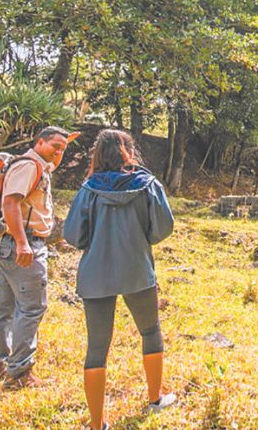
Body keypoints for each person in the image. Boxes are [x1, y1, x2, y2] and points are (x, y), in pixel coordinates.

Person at [64, 128, 176, 429]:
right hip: (137, 270)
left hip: (96, 275)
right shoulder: (148, 184)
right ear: (129, 151)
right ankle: (155, 400)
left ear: (98, 154)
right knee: (150, 332)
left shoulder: (88, 189)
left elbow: (73, 235)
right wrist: (143, 237)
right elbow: (163, 229)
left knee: (97, 348)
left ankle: (97, 423)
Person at [0, 125, 79, 388]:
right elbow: (10, 203)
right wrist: (23, 244)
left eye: (63, 148)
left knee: (5, 308)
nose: (59, 152)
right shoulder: (28, 166)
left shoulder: (39, 166)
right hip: (22, 245)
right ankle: (19, 373)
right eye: (54, 146)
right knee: (32, 308)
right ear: (39, 143)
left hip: (13, 244)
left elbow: (49, 164)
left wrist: (62, 143)